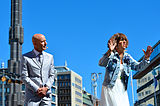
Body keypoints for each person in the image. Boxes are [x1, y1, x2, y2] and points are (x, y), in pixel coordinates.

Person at [99, 33, 153, 106]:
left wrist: (146, 58)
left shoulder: (127, 57)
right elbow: (101, 63)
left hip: (122, 88)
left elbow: (138, 67)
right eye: (121, 40)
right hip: (110, 87)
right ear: (116, 44)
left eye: (125, 40)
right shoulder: (112, 55)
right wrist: (109, 51)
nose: (124, 41)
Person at [21, 34, 56, 106]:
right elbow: (24, 77)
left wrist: (46, 88)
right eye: (42, 41)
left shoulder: (50, 57)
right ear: (35, 44)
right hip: (32, 97)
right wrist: (37, 89)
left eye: (45, 41)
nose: (45, 43)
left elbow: (52, 75)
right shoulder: (25, 57)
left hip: (46, 97)